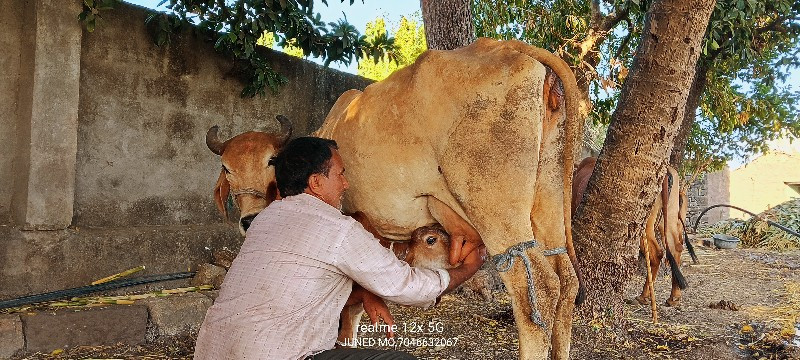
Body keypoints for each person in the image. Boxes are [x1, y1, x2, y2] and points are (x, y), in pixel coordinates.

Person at [194, 137, 485, 360]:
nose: (346, 184)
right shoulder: (338, 228)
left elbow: (302, 289)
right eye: (341, 174)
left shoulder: (266, 220)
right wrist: (470, 267)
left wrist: (368, 295)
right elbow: (408, 287)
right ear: (317, 182)